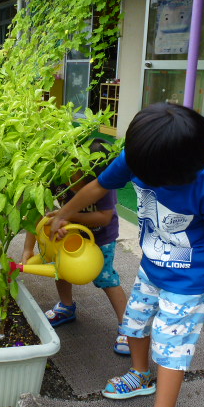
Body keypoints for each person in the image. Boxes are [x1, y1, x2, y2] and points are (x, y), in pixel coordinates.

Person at [49, 103, 204, 407]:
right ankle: (140, 376)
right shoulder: (140, 158)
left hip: (189, 283)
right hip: (151, 268)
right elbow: (99, 186)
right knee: (134, 323)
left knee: (171, 346)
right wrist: (64, 213)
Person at [23, 138, 130, 356]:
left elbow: (104, 217)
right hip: (71, 230)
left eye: (94, 182)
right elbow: (37, 212)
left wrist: (69, 216)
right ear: (74, 164)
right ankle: (66, 306)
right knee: (60, 268)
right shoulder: (56, 175)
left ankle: (128, 327)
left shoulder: (104, 183)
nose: (88, 187)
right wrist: (28, 248)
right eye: (85, 179)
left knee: (106, 277)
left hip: (101, 237)